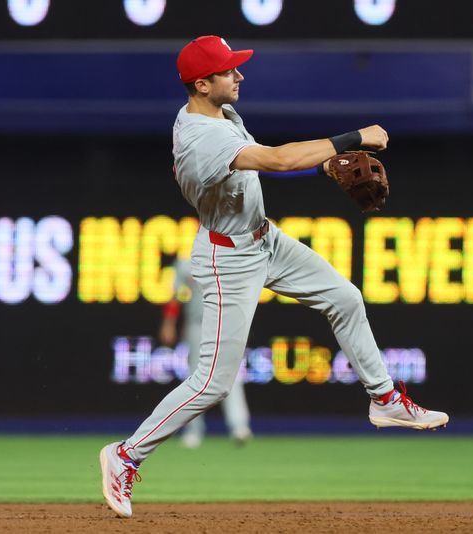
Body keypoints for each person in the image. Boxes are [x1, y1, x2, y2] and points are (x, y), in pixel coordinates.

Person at [100, 35, 448, 519]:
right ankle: (125, 455)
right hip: (230, 259)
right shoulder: (204, 137)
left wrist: (323, 164)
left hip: (263, 238)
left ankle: (385, 398)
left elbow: (264, 163)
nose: (239, 75)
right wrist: (353, 138)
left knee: (345, 297)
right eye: (228, 71)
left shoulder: (216, 115)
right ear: (202, 83)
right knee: (213, 384)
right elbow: (279, 159)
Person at [160, 258, 253, 448]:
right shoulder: (187, 264)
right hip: (198, 325)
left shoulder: (232, 259)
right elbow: (175, 294)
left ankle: (239, 427)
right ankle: (193, 430)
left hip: (227, 324)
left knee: (231, 375)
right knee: (195, 377)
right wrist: (169, 323)